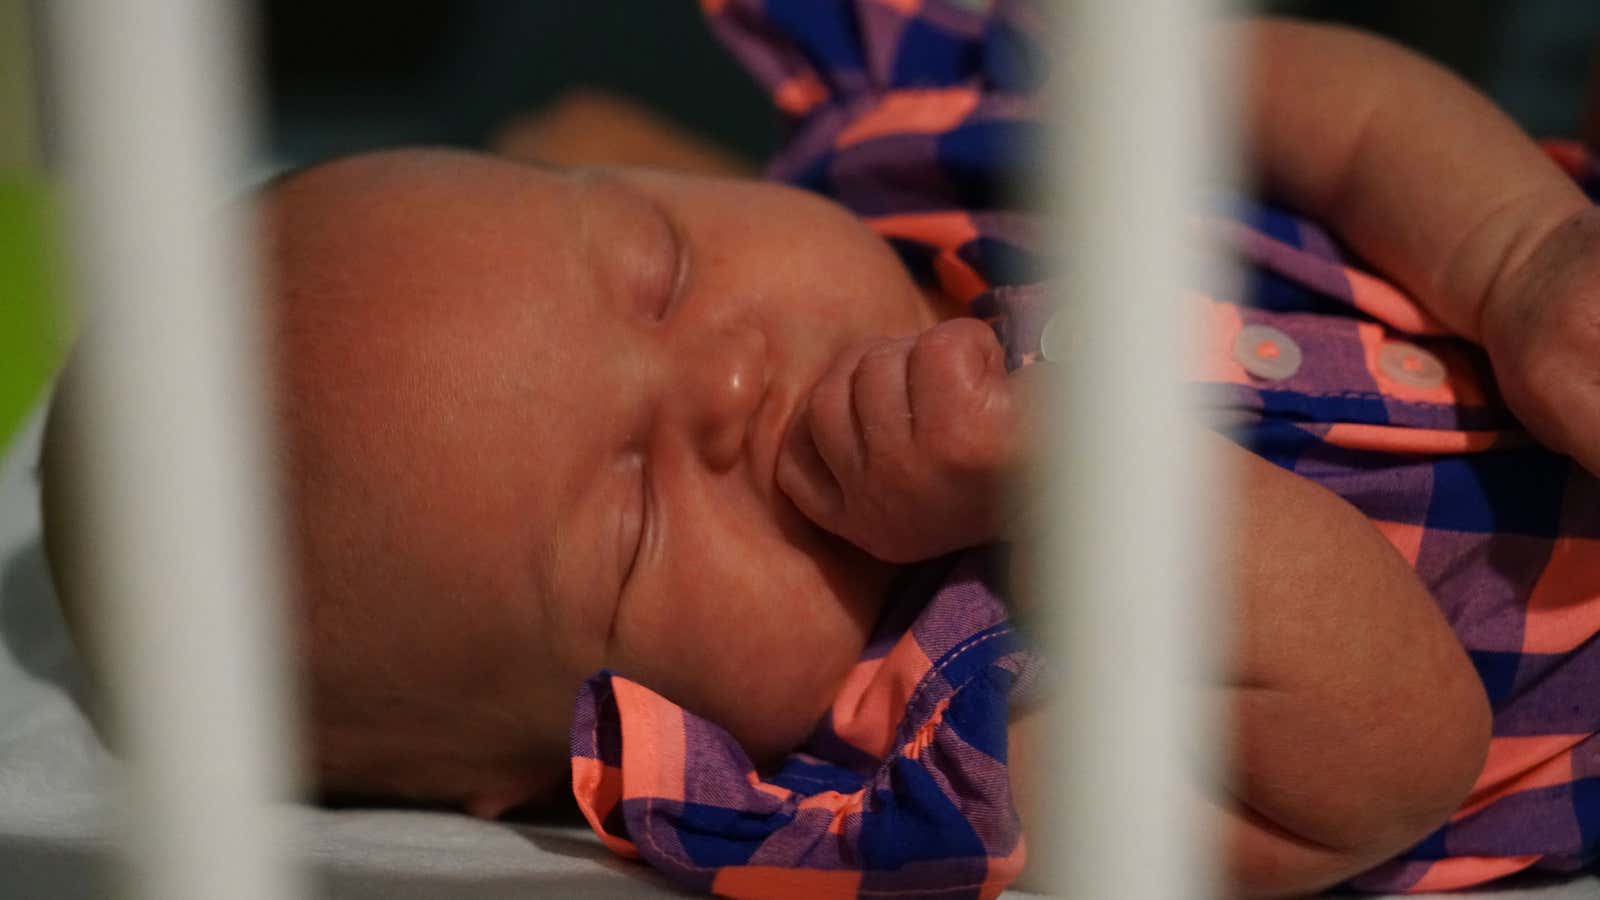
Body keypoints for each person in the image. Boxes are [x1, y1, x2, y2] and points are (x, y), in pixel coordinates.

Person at [39, 5, 1600, 897]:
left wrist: (1519, 251)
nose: (726, 380)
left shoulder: (915, 158)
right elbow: (1395, 756)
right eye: (636, 511)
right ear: (557, 763)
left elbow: (1264, 87)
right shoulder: (954, 758)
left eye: (657, 262)